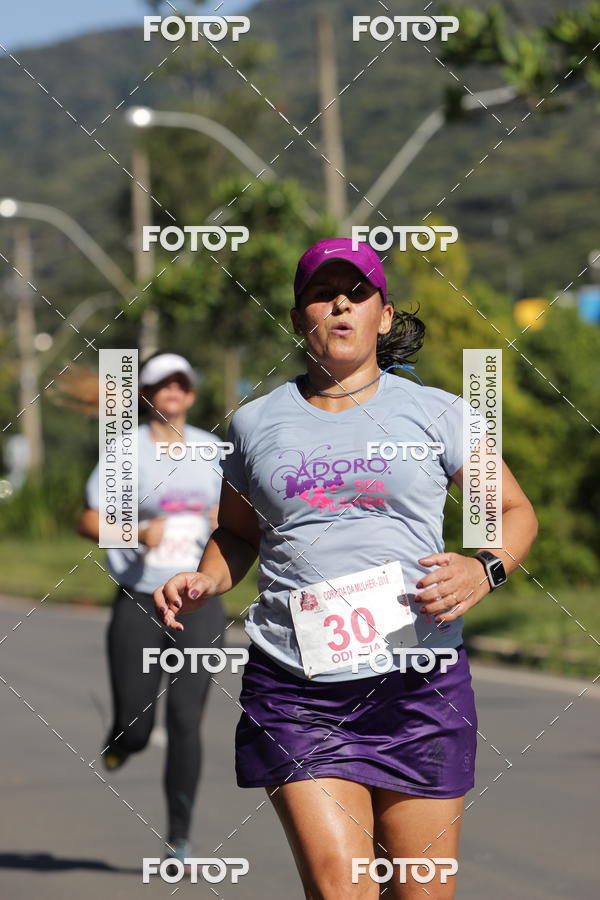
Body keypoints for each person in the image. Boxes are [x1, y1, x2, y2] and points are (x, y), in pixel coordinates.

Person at [153, 240, 538, 898]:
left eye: (357, 294)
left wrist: (484, 570)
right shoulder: (254, 423)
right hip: (297, 687)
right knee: (343, 889)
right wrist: (208, 578)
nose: (340, 304)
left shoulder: (439, 413)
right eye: (322, 294)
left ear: (382, 317)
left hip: (418, 683)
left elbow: (511, 511)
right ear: (297, 317)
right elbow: (238, 533)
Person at [78, 351, 225, 864]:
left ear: (191, 394)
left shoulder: (212, 450)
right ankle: (124, 741)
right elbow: (89, 519)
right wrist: (138, 532)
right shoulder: (126, 451)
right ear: (147, 394)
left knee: (186, 718)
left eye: (181, 383)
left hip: (199, 601)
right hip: (140, 597)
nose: (173, 392)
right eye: (163, 384)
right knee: (137, 727)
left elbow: (244, 517)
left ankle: (179, 838)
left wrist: (225, 517)